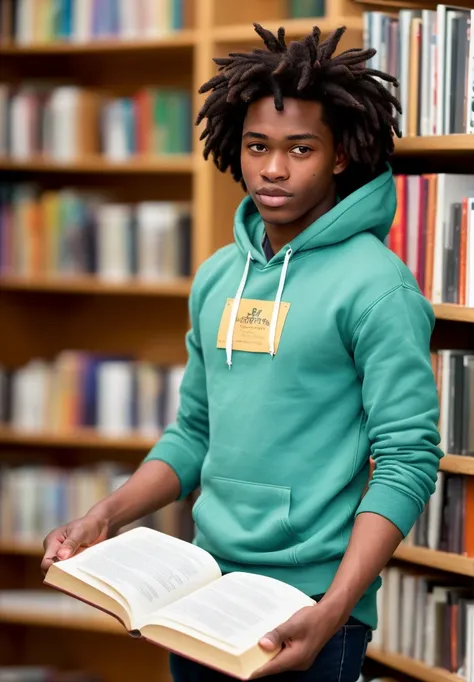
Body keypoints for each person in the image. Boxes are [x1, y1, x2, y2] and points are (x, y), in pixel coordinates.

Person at [41, 24, 443, 681]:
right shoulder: (217, 277)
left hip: (309, 610)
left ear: (340, 156)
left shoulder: (378, 287)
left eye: (300, 149)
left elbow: (406, 459)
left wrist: (337, 607)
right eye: (258, 146)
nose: (274, 169)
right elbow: (193, 433)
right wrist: (103, 515)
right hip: (201, 597)